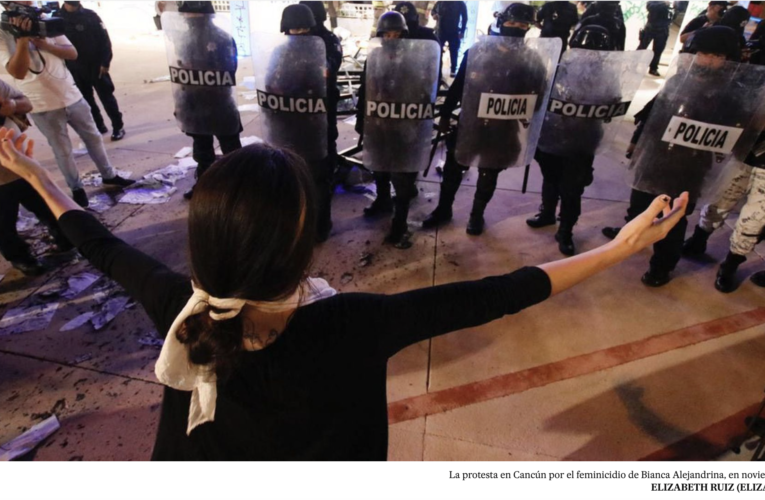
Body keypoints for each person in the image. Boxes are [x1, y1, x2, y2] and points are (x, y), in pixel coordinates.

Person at [0, 124, 688, 459]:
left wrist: (36, 177)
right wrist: (620, 248)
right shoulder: (356, 322)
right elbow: (503, 291)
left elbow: (98, 243)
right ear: (301, 247)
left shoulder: (179, 305)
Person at [602, 27, 747, 287]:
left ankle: (662, 267)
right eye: (703, 53)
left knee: (673, 220)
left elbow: (733, 135)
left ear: (728, 58)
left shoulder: (732, 94)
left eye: (716, 55)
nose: (708, 60)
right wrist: (636, 142)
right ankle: (634, 232)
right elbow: (654, 113)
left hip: (691, 167)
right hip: (656, 159)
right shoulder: (680, 79)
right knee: (638, 205)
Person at [424, 3, 549, 236]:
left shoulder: (532, 60)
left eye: (523, 25)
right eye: (512, 23)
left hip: (504, 128)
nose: (517, 28)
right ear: (502, 23)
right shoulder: (479, 51)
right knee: (453, 168)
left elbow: (539, 95)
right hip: (472, 123)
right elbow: (459, 85)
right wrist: (445, 113)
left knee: (489, 174)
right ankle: (443, 209)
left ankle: (476, 214)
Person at [0, 1, 134, 208]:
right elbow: (17, 71)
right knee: (62, 150)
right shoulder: (4, 33)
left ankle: (109, 175)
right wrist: (23, 40)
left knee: (94, 138)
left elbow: (72, 53)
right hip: (42, 104)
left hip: (71, 95)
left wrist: (45, 44)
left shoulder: (45, 22)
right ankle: (77, 189)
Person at [528, 24, 618, 256]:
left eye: (593, 52)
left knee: (572, 189)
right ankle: (547, 213)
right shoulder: (558, 69)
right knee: (550, 179)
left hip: (582, 142)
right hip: (552, 136)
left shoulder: (608, 76)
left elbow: (613, 104)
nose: (587, 56)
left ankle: (566, 231)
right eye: (582, 50)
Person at [355, 11, 439, 248]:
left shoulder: (416, 60)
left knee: (403, 177)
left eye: (396, 34)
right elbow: (365, 90)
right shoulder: (375, 57)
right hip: (380, 125)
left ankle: (399, 224)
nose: (392, 38)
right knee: (380, 168)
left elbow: (425, 94)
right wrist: (363, 121)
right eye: (387, 34)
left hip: (405, 126)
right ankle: (382, 200)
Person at [162, 1, 242, 200]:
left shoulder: (221, 38)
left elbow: (229, 70)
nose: (188, 19)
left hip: (218, 101)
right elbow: (179, 73)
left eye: (190, 14)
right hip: (195, 103)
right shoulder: (183, 39)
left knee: (231, 149)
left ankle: (240, 186)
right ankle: (206, 185)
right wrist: (180, 103)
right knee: (203, 150)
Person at [272, 4, 334, 242]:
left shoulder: (324, 46)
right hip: (289, 122)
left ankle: (320, 226)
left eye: (302, 28)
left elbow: (328, 74)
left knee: (319, 177)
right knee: (290, 175)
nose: (298, 33)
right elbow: (271, 80)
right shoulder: (280, 51)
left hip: (317, 122)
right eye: (293, 29)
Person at [0, 81, 71, 276]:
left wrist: (13, 106)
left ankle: (66, 240)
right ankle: (22, 259)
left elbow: (26, 103)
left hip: (23, 165)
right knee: (4, 225)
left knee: (47, 206)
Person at [299, 1, 342, 242]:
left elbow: (331, 67)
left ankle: (321, 225)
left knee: (323, 162)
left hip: (322, 107)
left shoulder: (328, 40)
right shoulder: (290, 41)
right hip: (294, 113)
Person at [57, 1, 125, 141]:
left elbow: (104, 40)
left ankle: (118, 126)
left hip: (96, 65)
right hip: (74, 67)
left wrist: (105, 62)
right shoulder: (57, 19)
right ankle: (98, 127)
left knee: (107, 98)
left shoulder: (90, 16)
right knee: (86, 101)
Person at [432, 0, 467, 77]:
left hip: (454, 31)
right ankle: (438, 71)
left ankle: (453, 70)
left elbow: (465, 17)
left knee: (454, 51)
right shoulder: (440, 2)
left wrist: (462, 31)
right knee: (438, 51)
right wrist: (434, 15)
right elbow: (433, 12)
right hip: (441, 31)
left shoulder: (460, 3)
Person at [638, 1, 673, 76]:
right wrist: (664, 3)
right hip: (650, 27)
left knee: (658, 50)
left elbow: (680, 8)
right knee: (642, 47)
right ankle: (633, 65)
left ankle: (653, 68)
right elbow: (650, 7)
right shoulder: (656, 2)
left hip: (663, 29)